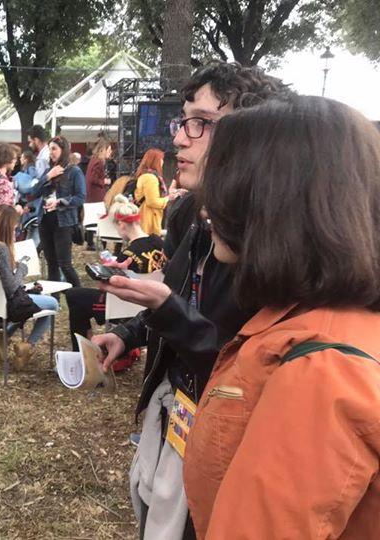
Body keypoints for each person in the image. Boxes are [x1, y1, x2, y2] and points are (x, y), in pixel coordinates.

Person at [91, 62, 291, 540]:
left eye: (201, 123)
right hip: (171, 412)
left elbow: (243, 370)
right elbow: (178, 296)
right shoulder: (186, 217)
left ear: (250, 137)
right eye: (184, 121)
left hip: (226, 443)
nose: (180, 138)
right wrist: (128, 332)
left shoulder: (276, 248)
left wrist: (167, 310)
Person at [185, 95, 380, 538]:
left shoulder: (320, 371)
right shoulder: (324, 324)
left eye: (225, 187)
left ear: (273, 205)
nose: (206, 208)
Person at [65, 195, 164, 351]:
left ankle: (84, 351)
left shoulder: (128, 254)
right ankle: (90, 347)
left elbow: (109, 286)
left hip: (126, 305)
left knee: (73, 296)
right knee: (78, 297)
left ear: (122, 225)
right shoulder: (158, 241)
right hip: (155, 302)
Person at [0, 205, 59, 367]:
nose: (15, 233)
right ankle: (27, 346)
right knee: (53, 303)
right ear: (6, 227)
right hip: (2, 306)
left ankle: (3, 336)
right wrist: (22, 270)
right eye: (14, 229)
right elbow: (11, 288)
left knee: (30, 302)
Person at [35, 135, 86, 287]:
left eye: (54, 149)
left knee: (65, 264)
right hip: (45, 220)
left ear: (63, 150)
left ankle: (79, 294)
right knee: (51, 263)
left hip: (64, 222)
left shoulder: (74, 171)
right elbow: (34, 192)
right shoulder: (49, 171)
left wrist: (59, 202)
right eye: (50, 149)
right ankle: (54, 300)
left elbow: (80, 197)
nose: (51, 152)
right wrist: (47, 177)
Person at [84, 139, 113, 250]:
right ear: (103, 149)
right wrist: (104, 182)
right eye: (109, 150)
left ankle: (90, 242)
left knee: (91, 219)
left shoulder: (93, 160)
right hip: (95, 196)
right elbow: (93, 179)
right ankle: (98, 244)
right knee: (100, 219)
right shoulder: (99, 162)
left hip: (91, 195)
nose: (110, 152)